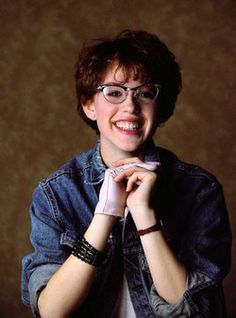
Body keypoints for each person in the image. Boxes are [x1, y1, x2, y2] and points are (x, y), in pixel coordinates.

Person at [21, 30, 231, 318]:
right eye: (114, 92)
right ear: (89, 105)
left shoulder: (199, 191)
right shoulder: (56, 194)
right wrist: (106, 213)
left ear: (161, 108)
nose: (130, 106)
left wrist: (144, 215)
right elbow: (51, 311)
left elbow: (195, 311)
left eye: (144, 93)